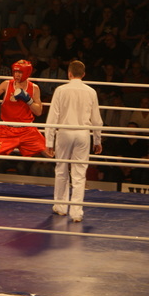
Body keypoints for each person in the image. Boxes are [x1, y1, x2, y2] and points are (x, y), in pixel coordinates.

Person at [45, 60, 102, 223]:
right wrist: (97, 139)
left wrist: (49, 141)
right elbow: (96, 119)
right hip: (83, 133)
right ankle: (76, 213)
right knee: (79, 173)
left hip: (64, 132)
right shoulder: (91, 91)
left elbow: (52, 117)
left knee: (61, 169)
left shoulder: (60, 90)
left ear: (69, 74)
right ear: (83, 74)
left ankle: (61, 207)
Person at [0, 59, 49, 163]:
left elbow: (38, 112)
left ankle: (64, 173)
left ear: (27, 73)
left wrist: (28, 100)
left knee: (48, 153)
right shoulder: (6, 84)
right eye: (15, 72)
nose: (17, 75)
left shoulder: (34, 88)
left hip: (27, 129)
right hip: (7, 129)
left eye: (20, 72)